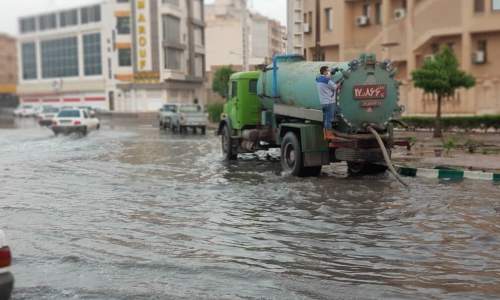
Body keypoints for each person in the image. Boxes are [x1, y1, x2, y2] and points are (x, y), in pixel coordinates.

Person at [316, 66, 340, 141]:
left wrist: (332, 72)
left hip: (323, 102)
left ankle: (325, 134)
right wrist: (340, 83)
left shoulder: (318, 79)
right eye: (328, 70)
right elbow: (336, 87)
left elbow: (326, 77)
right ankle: (329, 134)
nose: (329, 71)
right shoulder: (328, 81)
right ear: (324, 72)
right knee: (329, 119)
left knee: (325, 119)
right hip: (330, 102)